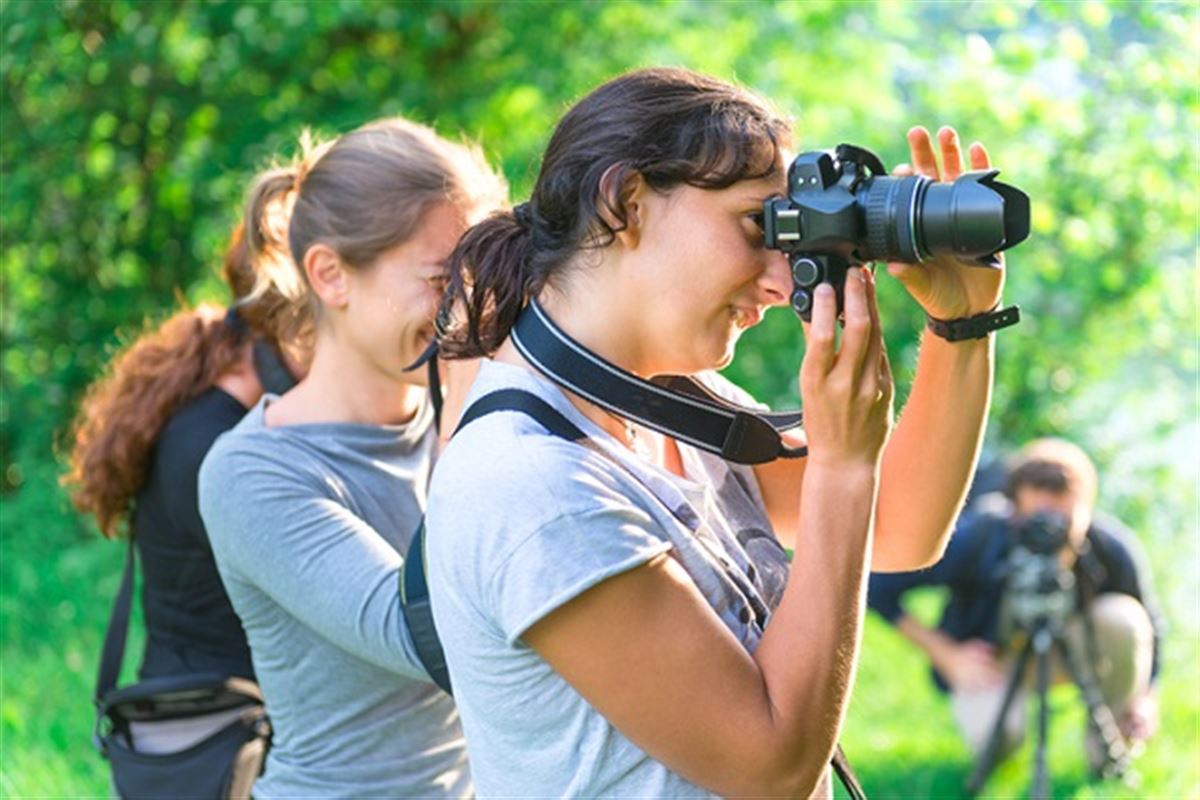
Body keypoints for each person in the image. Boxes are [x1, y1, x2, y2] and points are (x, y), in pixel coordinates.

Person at [425, 66, 1011, 799]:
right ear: (625, 202)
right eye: (755, 225)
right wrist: (839, 465)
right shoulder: (534, 483)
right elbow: (770, 766)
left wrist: (962, 326)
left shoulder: (669, 403)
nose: (779, 279)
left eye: (788, 232)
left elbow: (900, 528)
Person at [197, 117, 506, 798]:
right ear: (331, 275)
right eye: (440, 279)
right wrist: (471, 419)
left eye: (476, 277)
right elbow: (427, 639)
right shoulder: (252, 471)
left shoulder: (455, 427)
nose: (469, 308)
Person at [63, 218, 307, 712]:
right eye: (313, 333)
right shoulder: (210, 450)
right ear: (273, 339)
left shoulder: (209, 419)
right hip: (214, 735)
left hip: (217, 712)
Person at [868, 437, 1164, 766]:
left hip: (1075, 648)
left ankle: (1106, 753)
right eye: (1036, 523)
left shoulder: (1110, 548)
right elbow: (877, 585)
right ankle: (998, 746)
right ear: (1013, 509)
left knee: (1126, 620)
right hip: (996, 661)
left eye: (1063, 522)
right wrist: (947, 656)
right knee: (998, 737)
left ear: (1088, 509)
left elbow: (1151, 624)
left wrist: (1147, 697)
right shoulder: (980, 535)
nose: (1049, 534)